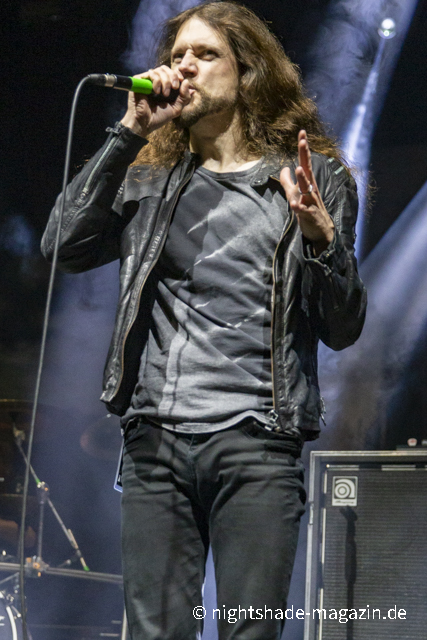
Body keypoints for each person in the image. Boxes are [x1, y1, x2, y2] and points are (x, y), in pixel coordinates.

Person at [42, 2, 366, 638]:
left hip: (258, 442)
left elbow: (343, 327)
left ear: (247, 71)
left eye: (205, 53)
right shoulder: (149, 180)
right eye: (177, 55)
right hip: (156, 443)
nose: (183, 65)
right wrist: (128, 133)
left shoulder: (310, 178)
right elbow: (63, 246)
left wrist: (322, 240)